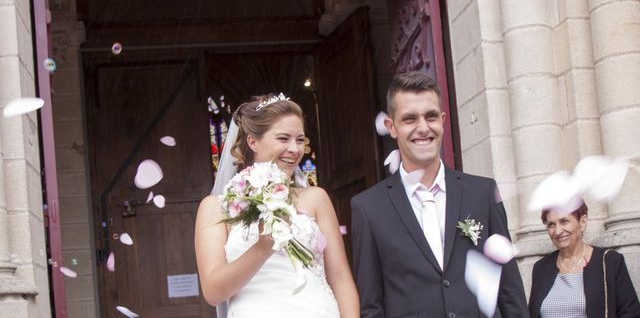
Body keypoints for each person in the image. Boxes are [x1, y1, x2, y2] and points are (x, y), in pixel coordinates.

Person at [350, 71, 528, 317]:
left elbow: (510, 291)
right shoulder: (368, 209)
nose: (423, 128)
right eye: (410, 119)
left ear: (443, 120)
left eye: (431, 116)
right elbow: (371, 306)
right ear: (391, 127)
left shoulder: (482, 193)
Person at [195, 94, 359, 318]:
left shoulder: (316, 198)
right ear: (252, 141)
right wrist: (263, 247)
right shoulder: (215, 207)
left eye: (300, 140)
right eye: (283, 138)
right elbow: (213, 292)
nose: (294, 149)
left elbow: (340, 277)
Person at [529, 203, 640, 317]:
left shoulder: (609, 262)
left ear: (583, 222)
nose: (557, 231)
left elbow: (630, 313)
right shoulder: (541, 268)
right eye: (551, 224)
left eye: (564, 221)